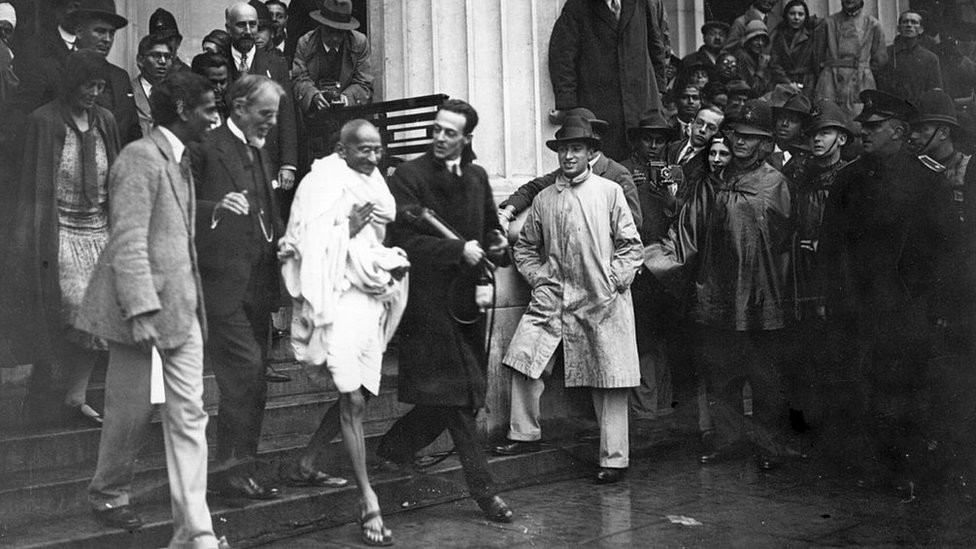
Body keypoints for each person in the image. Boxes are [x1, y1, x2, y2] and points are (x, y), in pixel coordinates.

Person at [77, 70, 223, 546]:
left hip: (179, 308)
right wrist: (141, 311)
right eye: (208, 108)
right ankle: (108, 495)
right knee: (130, 411)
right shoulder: (140, 157)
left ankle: (194, 533)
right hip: (137, 308)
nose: (214, 116)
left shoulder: (180, 159)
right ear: (182, 110)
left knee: (189, 417)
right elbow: (129, 239)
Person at [375, 99, 515, 524]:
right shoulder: (409, 176)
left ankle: (395, 448)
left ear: (466, 138)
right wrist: (458, 250)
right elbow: (401, 243)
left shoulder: (475, 176)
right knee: (457, 400)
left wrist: (496, 245)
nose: (439, 137)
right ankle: (486, 493)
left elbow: (490, 225)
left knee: (463, 395)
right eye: (436, 129)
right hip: (428, 305)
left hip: (468, 305)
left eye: (449, 132)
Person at [645, 100, 799, 470]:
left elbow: (785, 245)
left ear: (764, 143)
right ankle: (728, 441)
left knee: (765, 377)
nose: (740, 142)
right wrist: (648, 260)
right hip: (717, 294)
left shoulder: (776, 183)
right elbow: (687, 233)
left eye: (750, 137)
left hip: (762, 296)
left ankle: (769, 447)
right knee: (720, 372)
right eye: (737, 135)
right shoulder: (713, 181)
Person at [279, 119, 409, 547]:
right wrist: (346, 230)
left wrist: (385, 261)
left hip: (368, 297)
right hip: (334, 297)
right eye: (363, 151)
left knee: (361, 393)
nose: (373, 158)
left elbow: (380, 233)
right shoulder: (320, 182)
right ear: (342, 149)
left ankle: (307, 460)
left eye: (378, 150)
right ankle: (368, 500)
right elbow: (298, 244)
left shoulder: (377, 186)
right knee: (352, 397)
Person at [497, 116, 642, 484]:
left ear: (591, 153)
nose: (568, 156)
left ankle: (614, 459)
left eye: (576, 148)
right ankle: (523, 433)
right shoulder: (546, 199)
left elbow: (631, 246)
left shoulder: (609, 192)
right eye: (563, 149)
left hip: (601, 300)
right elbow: (526, 246)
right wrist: (536, 276)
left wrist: (613, 280)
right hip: (554, 296)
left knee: (609, 379)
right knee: (524, 359)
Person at [818, 90, 948, 490]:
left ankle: (905, 469)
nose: (865, 131)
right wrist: (831, 298)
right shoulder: (850, 178)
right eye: (865, 125)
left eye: (874, 126)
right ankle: (870, 467)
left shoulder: (928, 179)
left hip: (908, 305)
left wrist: (934, 304)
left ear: (899, 131)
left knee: (906, 386)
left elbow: (945, 249)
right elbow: (829, 247)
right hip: (857, 303)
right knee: (860, 385)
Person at [0, 50, 120, 426]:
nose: (94, 92)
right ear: (72, 83)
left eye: (100, 86)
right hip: (60, 228)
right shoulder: (44, 120)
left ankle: (75, 396)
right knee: (71, 305)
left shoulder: (106, 120)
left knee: (99, 316)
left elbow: (114, 174)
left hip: (98, 228)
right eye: (88, 85)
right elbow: (33, 184)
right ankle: (45, 392)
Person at [191, 74, 286, 500]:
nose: (271, 123)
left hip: (259, 285)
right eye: (266, 114)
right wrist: (215, 208)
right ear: (241, 106)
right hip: (222, 287)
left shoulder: (258, 149)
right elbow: (177, 202)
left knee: (255, 381)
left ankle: (240, 466)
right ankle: (228, 469)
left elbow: (268, 210)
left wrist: (287, 242)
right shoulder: (206, 148)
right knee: (244, 374)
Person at [781, 99, 852, 432]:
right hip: (801, 271)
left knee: (835, 347)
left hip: (837, 275)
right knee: (801, 347)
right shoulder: (798, 172)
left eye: (826, 132)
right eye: (813, 134)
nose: (817, 140)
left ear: (841, 137)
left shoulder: (851, 175)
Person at [620, 114, 683, 422]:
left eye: (660, 140)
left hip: (665, 264)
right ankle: (644, 409)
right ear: (636, 140)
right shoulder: (622, 171)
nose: (655, 146)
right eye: (648, 139)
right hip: (636, 262)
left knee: (663, 335)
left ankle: (662, 405)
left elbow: (680, 218)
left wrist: (670, 194)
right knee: (641, 335)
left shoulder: (673, 173)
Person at [548, 0, 668, 161]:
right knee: (606, 162)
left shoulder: (641, 3)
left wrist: (659, 90)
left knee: (642, 161)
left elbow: (656, 45)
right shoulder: (578, 6)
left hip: (640, 100)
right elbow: (563, 57)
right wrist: (568, 106)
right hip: (600, 104)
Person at [12, 0, 140, 145]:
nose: (107, 39)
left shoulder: (120, 77)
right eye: (100, 31)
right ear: (79, 32)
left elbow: (133, 131)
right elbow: (21, 121)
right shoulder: (50, 70)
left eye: (112, 33)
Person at [497, 108, 641, 233]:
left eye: (578, 144)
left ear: (595, 140)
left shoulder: (616, 174)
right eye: (565, 146)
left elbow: (633, 222)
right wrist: (506, 213)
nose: (569, 155)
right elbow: (532, 188)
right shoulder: (563, 174)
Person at [226, 2, 298, 194]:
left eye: (253, 24)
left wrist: (288, 164)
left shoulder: (276, 65)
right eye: (241, 25)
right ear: (228, 28)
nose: (249, 31)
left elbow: (286, 115)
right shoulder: (216, 63)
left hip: (267, 160)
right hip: (226, 160)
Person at [292, 0, 373, 116]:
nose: (334, 38)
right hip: (314, 118)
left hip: (349, 115)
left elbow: (365, 82)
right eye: (329, 31)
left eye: (340, 33)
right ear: (321, 25)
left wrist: (346, 98)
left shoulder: (359, 43)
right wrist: (313, 96)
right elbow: (299, 80)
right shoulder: (305, 43)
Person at [812, 0, 887, 118]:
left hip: (860, 81)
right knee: (827, 118)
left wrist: (863, 71)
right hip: (830, 80)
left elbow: (880, 59)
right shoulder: (828, 23)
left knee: (859, 120)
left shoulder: (873, 24)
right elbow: (817, 56)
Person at [876, 11, 943, 104]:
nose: (909, 25)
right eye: (905, 22)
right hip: (890, 110)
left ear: (921, 29)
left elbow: (935, 92)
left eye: (914, 22)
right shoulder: (885, 54)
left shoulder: (930, 59)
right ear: (899, 28)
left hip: (918, 112)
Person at [666, 105, 725, 207]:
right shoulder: (672, 147)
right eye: (699, 123)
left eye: (711, 128)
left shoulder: (710, 163)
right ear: (692, 123)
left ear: (718, 133)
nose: (702, 130)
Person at [770, 0, 817, 95]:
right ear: (786, 15)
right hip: (783, 83)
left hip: (807, 83)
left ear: (806, 16)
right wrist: (788, 83)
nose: (796, 18)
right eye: (792, 14)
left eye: (800, 14)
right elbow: (775, 64)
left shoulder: (812, 36)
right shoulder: (779, 36)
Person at [733, 20, 788, 98]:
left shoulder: (759, 57)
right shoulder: (742, 57)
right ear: (748, 40)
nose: (760, 43)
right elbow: (754, 90)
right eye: (756, 39)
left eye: (763, 40)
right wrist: (761, 69)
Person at [132, 33, 174, 136]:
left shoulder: (178, 93)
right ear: (140, 60)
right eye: (156, 55)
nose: (163, 61)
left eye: (167, 56)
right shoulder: (128, 91)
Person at [769, 93, 812, 171]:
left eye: (793, 120)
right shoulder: (762, 150)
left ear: (802, 128)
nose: (784, 124)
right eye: (781, 118)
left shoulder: (807, 160)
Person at [191, 52, 232, 125]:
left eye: (222, 82)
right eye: (213, 82)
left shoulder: (230, 112)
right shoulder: (187, 115)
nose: (218, 88)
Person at [149, 7, 190, 73]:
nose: (163, 46)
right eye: (158, 41)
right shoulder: (147, 77)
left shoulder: (191, 78)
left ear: (178, 42)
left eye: (168, 40)